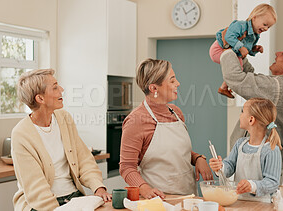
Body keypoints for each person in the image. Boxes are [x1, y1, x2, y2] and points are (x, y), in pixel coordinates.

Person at [11, 69, 111, 211]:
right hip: (41, 205)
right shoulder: (21, 134)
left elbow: (83, 158)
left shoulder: (64, 118)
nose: (62, 90)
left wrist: (98, 187)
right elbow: (36, 189)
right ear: (40, 99)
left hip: (73, 197)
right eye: (55, 87)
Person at [119, 58, 213, 199]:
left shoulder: (176, 112)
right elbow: (127, 167)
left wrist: (198, 158)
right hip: (159, 199)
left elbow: (176, 152)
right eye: (172, 80)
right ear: (154, 88)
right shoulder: (135, 121)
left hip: (189, 196)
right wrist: (144, 189)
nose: (178, 84)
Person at [220, 44, 283, 172]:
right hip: (260, 165)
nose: (277, 53)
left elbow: (236, 78)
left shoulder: (278, 88)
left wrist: (228, 50)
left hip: (255, 168)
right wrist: (241, 53)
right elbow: (252, 81)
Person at [209, 98, 281, 202]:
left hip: (261, 204)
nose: (240, 115)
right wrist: (220, 167)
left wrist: (252, 186)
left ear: (251, 120)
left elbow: (272, 182)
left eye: (242, 111)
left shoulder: (271, 149)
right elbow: (229, 166)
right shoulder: (240, 144)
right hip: (238, 201)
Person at [209, 3, 277, 98]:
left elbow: (247, 50)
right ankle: (224, 87)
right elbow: (228, 36)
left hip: (230, 53)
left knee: (244, 68)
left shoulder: (255, 36)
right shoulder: (240, 25)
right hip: (218, 49)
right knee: (238, 68)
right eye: (265, 24)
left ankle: (227, 86)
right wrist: (241, 47)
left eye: (268, 27)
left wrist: (255, 49)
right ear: (254, 17)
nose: (265, 28)